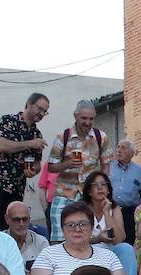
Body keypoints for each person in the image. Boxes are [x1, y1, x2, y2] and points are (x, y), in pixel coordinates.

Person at [30, 202, 126, 275]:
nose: (77, 229)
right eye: (71, 225)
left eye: (83, 224)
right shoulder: (48, 254)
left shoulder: (109, 256)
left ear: (92, 227)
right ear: (63, 229)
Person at [45, 100, 111, 242]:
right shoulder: (63, 137)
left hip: (88, 195)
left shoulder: (101, 137)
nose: (88, 122)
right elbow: (51, 166)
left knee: (86, 235)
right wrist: (67, 164)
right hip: (64, 193)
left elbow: (106, 165)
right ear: (75, 116)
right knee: (59, 237)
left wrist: (101, 187)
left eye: (91, 119)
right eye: (84, 118)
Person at [0, 93, 49, 229]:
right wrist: (30, 143)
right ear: (29, 104)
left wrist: (33, 171)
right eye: (39, 109)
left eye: (45, 111)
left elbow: (37, 163)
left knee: (10, 227)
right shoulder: (8, 121)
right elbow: (1, 145)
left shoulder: (37, 134)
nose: (41, 114)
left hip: (17, 187)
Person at [79, 170, 136, 275]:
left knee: (127, 248)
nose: (100, 188)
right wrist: (98, 238)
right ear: (89, 191)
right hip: (89, 250)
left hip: (111, 249)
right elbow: (79, 239)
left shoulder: (115, 209)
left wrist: (106, 213)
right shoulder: (82, 209)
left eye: (104, 184)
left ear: (108, 190)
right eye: (95, 185)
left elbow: (119, 239)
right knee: (100, 247)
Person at [108, 138, 141, 243]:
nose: (119, 150)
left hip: (130, 214)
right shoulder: (109, 167)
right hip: (110, 211)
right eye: (118, 147)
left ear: (132, 153)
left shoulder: (140, 172)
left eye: (123, 148)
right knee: (111, 241)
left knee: (129, 243)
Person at [4, 200, 48, 271]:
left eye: (25, 219)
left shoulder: (41, 242)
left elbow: (47, 272)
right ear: (7, 219)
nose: (21, 224)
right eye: (16, 220)